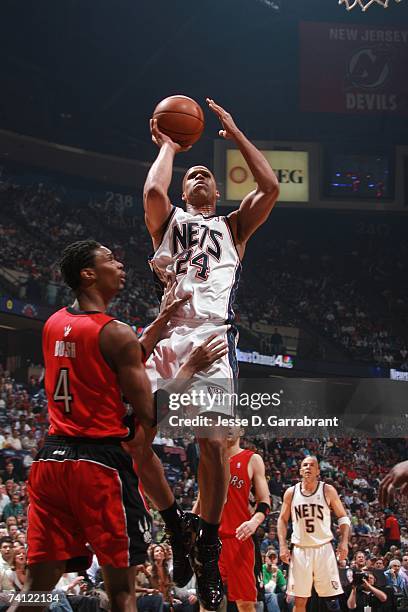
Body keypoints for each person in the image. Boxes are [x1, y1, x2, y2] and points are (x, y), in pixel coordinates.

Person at [10, 240, 224, 612]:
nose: (120, 264)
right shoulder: (116, 332)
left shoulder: (54, 323)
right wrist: (190, 368)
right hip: (99, 468)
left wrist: (161, 322)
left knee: (35, 590)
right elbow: (151, 415)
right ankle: (179, 530)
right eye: (110, 259)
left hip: (50, 462)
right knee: (122, 593)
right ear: (88, 274)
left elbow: (113, 354)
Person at [144, 98, 279, 608]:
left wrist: (236, 131)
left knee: (214, 442)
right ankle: (175, 525)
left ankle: (204, 538)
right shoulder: (170, 221)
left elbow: (270, 188)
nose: (199, 176)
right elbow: (154, 189)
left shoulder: (233, 228)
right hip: (167, 332)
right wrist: (169, 146)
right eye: (192, 174)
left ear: (219, 190)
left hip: (212, 337)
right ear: (185, 188)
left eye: (207, 174)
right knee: (136, 439)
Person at [193, 427, 270, 612]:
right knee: (208, 604)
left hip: (239, 540)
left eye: (232, 423)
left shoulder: (252, 459)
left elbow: (265, 501)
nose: (227, 427)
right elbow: (201, 500)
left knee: (245, 603)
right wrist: (188, 526)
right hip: (210, 540)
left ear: (241, 430)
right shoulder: (210, 460)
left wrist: (254, 522)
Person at [277, 456, 350, 612]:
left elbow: (343, 517)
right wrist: (283, 545)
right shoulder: (291, 492)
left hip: (323, 548)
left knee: (331, 600)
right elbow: (282, 520)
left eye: (312, 465)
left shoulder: (328, 490)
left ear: (318, 471)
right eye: (305, 465)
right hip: (300, 550)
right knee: (300, 601)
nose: (308, 467)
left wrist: (344, 542)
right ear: (300, 470)